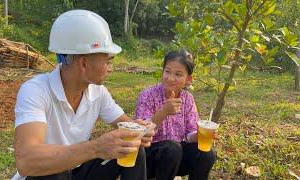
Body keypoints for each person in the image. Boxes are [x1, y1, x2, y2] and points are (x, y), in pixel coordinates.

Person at [12, 10, 154, 180]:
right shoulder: (36, 91)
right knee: (56, 175)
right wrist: (96, 147)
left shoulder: (97, 92)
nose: (111, 68)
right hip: (45, 175)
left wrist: (140, 131)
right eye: (108, 61)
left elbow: (125, 123)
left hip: (78, 170)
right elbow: (26, 160)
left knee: (131, 149)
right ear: (84, 63)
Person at [135, 50, 216, 180]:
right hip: (149, 159)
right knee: (171, 149)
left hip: (176, 159)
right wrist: (164, 112)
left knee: (207, 155)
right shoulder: (148, 95)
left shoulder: (187, 99)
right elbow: (141, 133)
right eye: (167, 71)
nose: (171, 78)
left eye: (178, 74)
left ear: (188, 79)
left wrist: (200, 135)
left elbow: (190, 134)